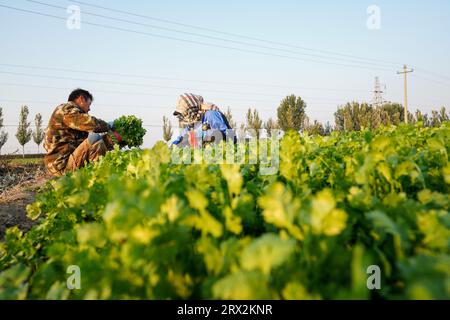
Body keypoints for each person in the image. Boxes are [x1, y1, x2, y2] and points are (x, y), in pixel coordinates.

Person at [43, 88, 122, 176]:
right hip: (62, 165)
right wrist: (109, 126)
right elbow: (90, 123)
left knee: (101, 140)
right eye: (89, 104)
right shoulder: (66, 109)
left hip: (67, 161)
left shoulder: (72, 113)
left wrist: (113, 138)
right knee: (95, 139)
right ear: (81, 99)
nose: (89, 109)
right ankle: (98, 174)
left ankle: (98, 172)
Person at [171, 93, 235, 147]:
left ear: (191, 108)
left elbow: (227, 135)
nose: (184, 116)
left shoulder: (211, 114)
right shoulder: (193, 121)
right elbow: (181, 137)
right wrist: (173, 146)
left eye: (184, 113)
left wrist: (204, 138)